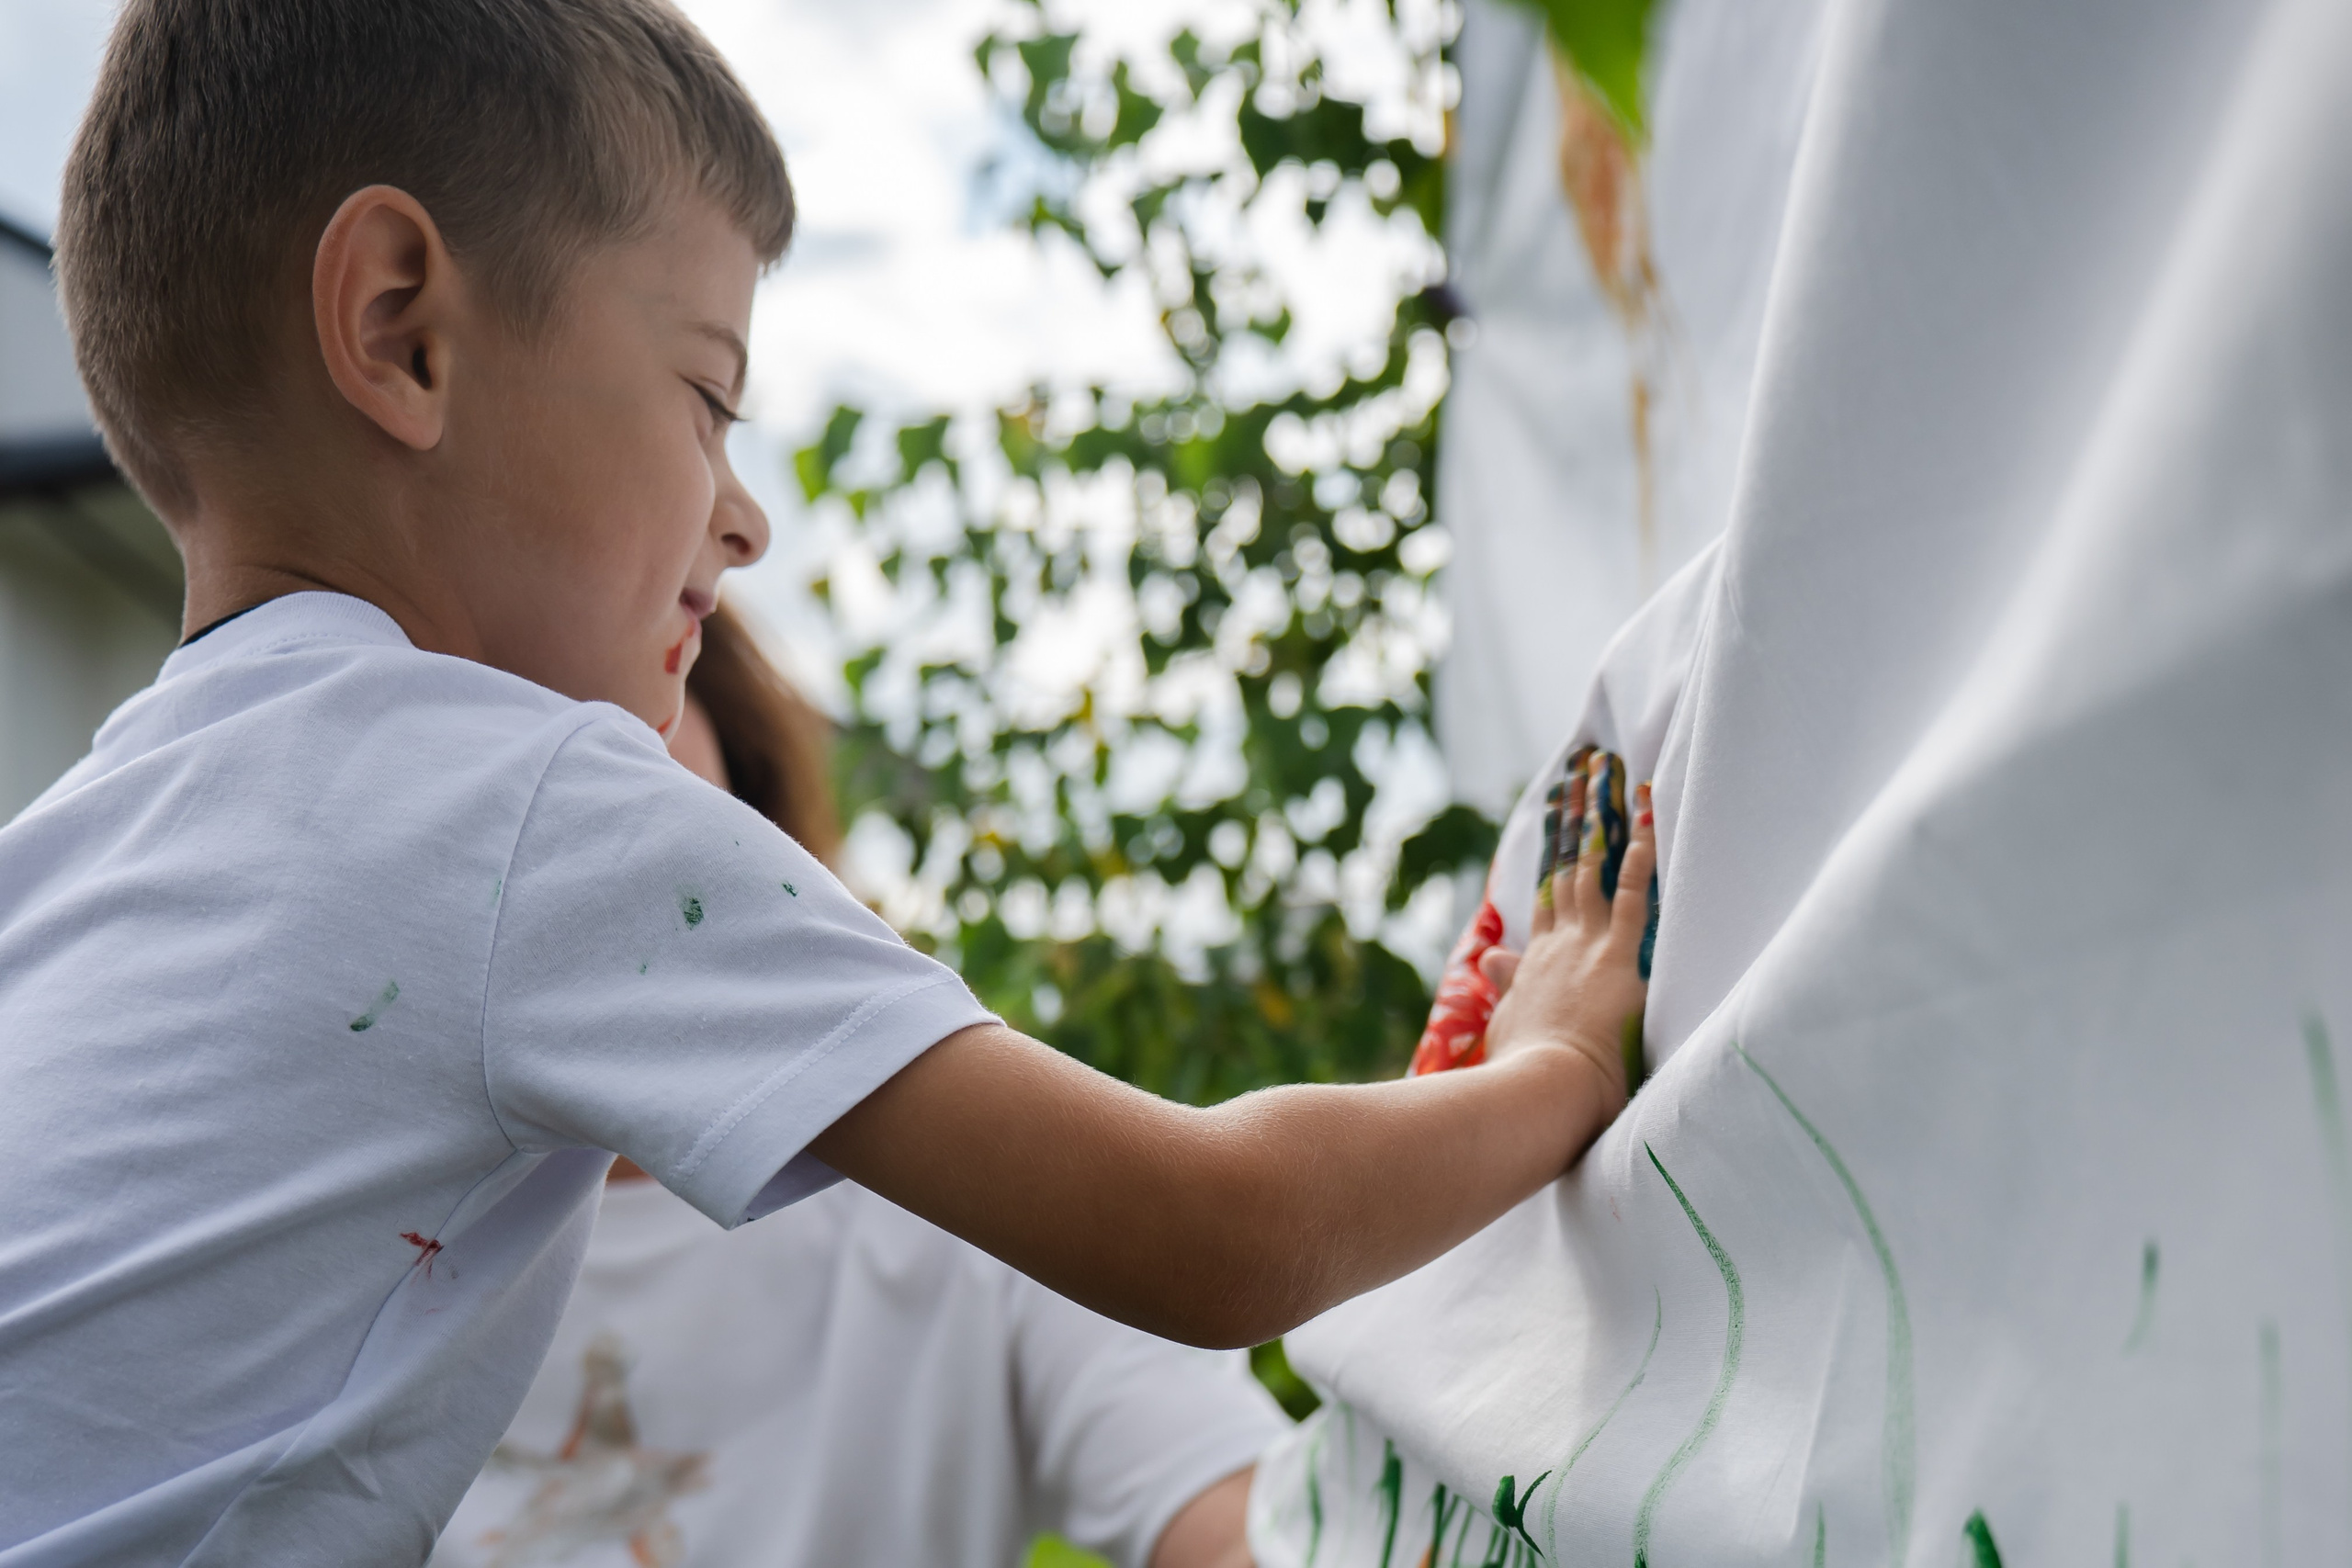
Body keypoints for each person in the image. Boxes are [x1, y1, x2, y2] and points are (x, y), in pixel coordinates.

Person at [0, 1, 1657, 1559]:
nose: (743, 515)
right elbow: (1213, 1230)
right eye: (708, 396)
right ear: (398, 331)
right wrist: (1563, 1058)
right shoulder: (518, 800)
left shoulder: (69, 857)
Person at [430, 605, 1284, 1568]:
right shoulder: (328, 1234)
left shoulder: (973, 1199)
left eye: (626, 724)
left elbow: (1233, 1514)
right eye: (502, 718)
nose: (573, 795)